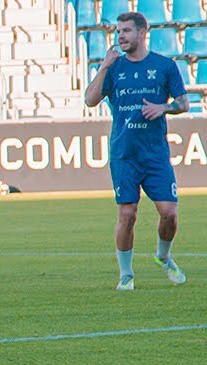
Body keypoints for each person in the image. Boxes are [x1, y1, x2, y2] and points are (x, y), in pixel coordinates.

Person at [83, 11, 188, 290]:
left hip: (155, 154)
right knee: (127, 214)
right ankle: (126, 275)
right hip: (124, 153)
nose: (120, 37)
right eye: (118, 32)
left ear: (142, 33)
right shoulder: (114, 68)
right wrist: (103, 67)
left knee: (169, 212)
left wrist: (163, 107)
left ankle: (163, 255)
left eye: (126, 31)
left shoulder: (164, 66)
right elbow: (90, 100)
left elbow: (183, 102)